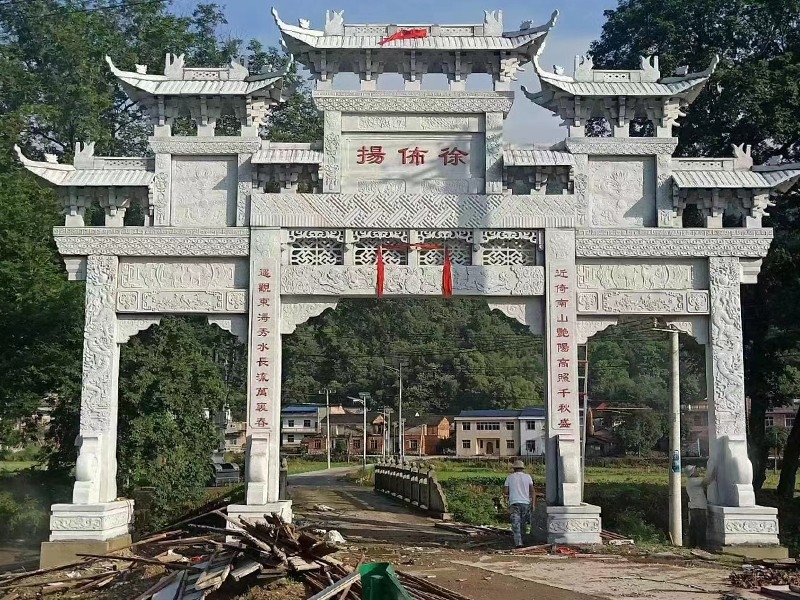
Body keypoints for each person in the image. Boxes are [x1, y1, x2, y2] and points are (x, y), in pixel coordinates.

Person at [504, 460, 535, 548]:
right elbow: (532, 491)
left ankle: (518, 543)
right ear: (522, 468)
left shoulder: (509, 477)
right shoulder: (528, 477)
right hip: (525, 502)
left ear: (514, 469)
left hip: (514, 502)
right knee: (523, 523)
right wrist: (533, 504)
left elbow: (505, 491)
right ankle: (524, 540)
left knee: (516, 523)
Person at [685, 465, 708, 548]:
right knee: (701, 527)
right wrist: (713, 471)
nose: (697, 471)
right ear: (692, 473)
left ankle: (691, 545)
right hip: (699, 507)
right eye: (695, 470)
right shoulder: (694, 481)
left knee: (693, 527)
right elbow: (707, 481)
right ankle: (702, 546)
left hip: (694, 507)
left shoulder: (690, 481)